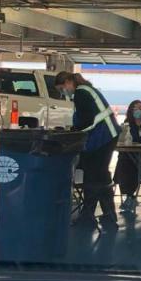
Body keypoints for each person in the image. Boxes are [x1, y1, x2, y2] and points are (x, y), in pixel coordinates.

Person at [56, 71, 120, 231]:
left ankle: (92, 215)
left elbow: (86, 120)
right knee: (99, 175)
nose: (63, 92)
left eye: (62, 88)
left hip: (103, 136)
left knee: (94, 175)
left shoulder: (81, 93)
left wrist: (74, 131)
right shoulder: (85, 90)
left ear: (69, 82)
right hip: (106, 136)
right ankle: (103, 214)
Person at [114, 100, 141, 214]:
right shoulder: (127, 123)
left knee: (132, 164)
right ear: (131, 111)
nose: (138, 111)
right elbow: (123, 139)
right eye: (135, 109)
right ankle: (129, 196)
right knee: (124, 162)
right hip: (129, 156)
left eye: (140, 108)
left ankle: (130, 197)